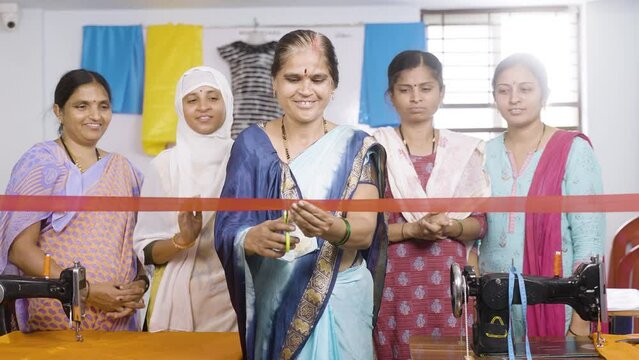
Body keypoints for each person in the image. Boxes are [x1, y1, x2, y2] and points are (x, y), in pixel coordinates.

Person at [214, 29, 387, 360]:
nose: (306, 90)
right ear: (274, 84)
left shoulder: (356, 145)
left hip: (342, 297)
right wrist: (249, 238)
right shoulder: (250, 146)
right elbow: (227, 227)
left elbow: (365, 231)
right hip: (275, 298)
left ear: (333, 85)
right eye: (293, 78)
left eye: (318, 79)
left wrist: (332, 229)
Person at [0, 69, 147, 331]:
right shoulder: (41, 161)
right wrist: (85, 291)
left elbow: (138, 244)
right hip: (56, 316)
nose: (95, 116)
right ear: (59, 111)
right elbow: (21, 250)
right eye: (82, 106)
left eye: (103, 106)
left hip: (118, 317)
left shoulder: (124, 169)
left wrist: (139, 285)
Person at [372, 50, 490, 359]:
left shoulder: (465, 153)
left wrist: (451, 226)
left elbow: (480, 224)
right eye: (405, 89)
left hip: (452, 284)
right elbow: (365, 228)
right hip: (395, 283)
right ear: (391, 96)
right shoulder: (374, 151)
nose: (416, 98)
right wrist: (412, 228)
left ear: (441, 93)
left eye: (425, 88)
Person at [479, 53, 605, 337]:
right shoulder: (482, 154)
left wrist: (581, 324)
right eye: (504, 90)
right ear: (494, 96)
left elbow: (589, 241)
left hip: (559, 308)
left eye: (525, 89)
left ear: (544, 94)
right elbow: (473, 235)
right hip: (495, 307)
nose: (514, 98)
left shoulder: (573, 151)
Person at [133, 66, 237, 332]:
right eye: (192, 99)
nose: (203, 106)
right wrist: (184, 240)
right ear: (181, 108)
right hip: (177, 296)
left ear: (227, 100)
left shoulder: (244, 157)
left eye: (213, 97)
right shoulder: (165, 164)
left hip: (233, 299)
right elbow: (147, 250)